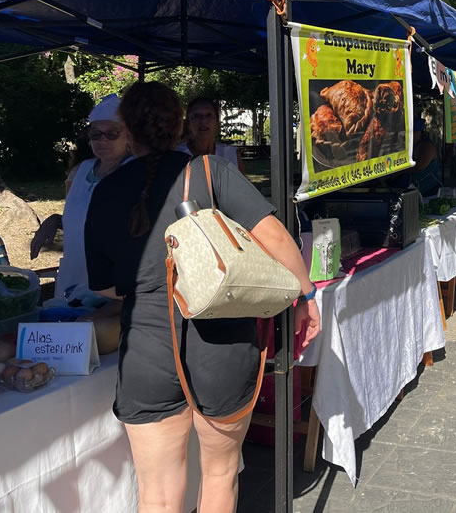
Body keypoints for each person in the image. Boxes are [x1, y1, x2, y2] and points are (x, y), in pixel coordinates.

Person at [85, 82, 320, 513]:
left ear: (127, 132)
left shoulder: (105, 191)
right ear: (180, 126)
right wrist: (307, 296)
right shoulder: (210, 171)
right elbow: (276, 240)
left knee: (157, 495)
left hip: (146, 345)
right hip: (222, 340)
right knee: (219, 474)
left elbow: (103, 286)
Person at [31, 94, 130, 298]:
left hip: (112, 284)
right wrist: (55, 220)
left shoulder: (135, 172)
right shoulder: (81, 170)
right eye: (96, 134)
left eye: (112, 134)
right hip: (72, 274)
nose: (103, 140)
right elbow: (79, 217)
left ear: (128, 135)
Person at [183, 97, 245, 174]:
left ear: (217, 123)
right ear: (188, 123)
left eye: (209, 115)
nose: (203, 121)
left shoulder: (231, 155)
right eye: (196, 116)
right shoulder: (176, 155)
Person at [410, 116, 442, 195]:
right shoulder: (412, 145)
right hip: (415, 189)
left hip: (430, 189)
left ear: (419, 133)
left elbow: (419, 167)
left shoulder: (427, 146)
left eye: (413, 132)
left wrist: (399, 172)